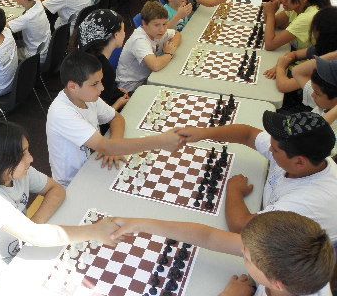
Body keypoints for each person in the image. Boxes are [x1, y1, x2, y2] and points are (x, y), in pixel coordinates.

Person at [0, 119, 120, 290]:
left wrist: (33, 226)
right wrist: (93, 231)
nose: (31, 158)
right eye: (23, 154)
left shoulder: (19, 171)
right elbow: (36, 236)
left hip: (25, 244)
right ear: (1, 161)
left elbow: (56, 190)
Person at [176, 110, 337, 241]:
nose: (270, 149)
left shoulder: (303, 203)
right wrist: (203, 133)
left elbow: (241, 228)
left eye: (274, 150)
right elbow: (247, 134)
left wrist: (234, 190)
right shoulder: (302, 156)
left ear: (299, 162)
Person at [111, 211, 333, 296]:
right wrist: (142, 223)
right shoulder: (286, 260)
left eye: (245, 256)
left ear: (277, 284)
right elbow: (208, 237)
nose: (241, 252)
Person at [47, 51, 182, 187]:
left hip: (95, 166)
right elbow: (105, 146)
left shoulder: (87, 97)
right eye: (95, 84)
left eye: (101, 81)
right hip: (72, 184)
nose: (102, 87)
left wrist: (115, 142)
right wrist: (160, 141)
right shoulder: (62, 113)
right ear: (73, 87)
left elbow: (116, 118)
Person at [115, 1, 181, 93]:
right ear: (144, 24)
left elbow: (177, 34)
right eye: (156, 25)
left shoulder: (156, 32)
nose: (162, 29)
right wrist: (169, 53)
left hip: (149, 77)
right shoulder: (139, 40)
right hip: (131, 87)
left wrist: (171, 46)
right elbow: (155, 65)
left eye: (165, 24)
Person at [255, 0, 331, 51]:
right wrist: (269, 13)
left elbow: (269, 45)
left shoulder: (306, 17)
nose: (283, 0)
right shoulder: (297, 6)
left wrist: (270, 13)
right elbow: (273, 23)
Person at [73, 9, 129, 111]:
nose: (125, 34)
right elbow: (99, 117)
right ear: (115, 35)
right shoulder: (103, 69)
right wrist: (119, 102)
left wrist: (114, 91)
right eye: (123, 30)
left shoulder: (87, 58)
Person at [291, 56, 337, 135]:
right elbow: (297, 71)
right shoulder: (326, 101)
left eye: (317, 93)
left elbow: (311, 135)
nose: (312, 95)